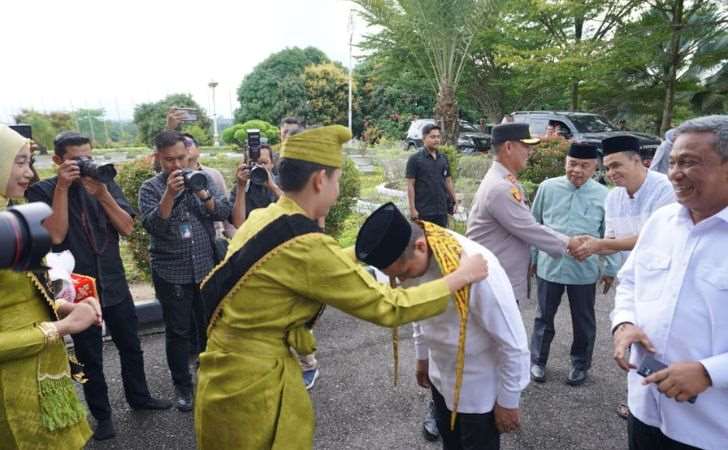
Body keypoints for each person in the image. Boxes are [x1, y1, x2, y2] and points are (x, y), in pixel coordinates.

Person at [194, 125, 489, 450]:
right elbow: (390, 306)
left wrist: (369, 252)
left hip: (224, 378)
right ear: (321, 180)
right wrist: (460, 277)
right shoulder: (307, 248)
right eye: (336, 180)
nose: (336, 189)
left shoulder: (265, 217)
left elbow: (318, 263)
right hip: (253, 390)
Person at [25, 132, 172, 440]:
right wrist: (64, 187)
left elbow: (128, 228)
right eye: (77, 159)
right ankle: (102, 415)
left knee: (131, 345)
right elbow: (55, 235)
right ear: (58, 161)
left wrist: (103, 194)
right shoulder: (43, 190)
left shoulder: (104, 182)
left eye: (88, 157)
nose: (85, 164)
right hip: (77, 290)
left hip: (114, 280)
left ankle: (140, 397)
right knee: (89, 355)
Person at [355, 202, 530, 450]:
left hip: (479, 390)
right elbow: (417, 306)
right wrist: (422, 358)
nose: (401, 282)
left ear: (420, 246)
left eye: (403, 273)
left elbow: (513, 343)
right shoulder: (402, 260)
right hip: (441, 377)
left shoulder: (476, 270)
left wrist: (509, 401)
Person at [611, 115, 728, 449]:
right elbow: (631, 281)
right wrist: (624, 324)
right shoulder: (662, 221)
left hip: (712, 428)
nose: (674, 173)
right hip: (645, 410)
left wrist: (710, 372)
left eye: (689, 163)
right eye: (672, 161)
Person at [0, 124, 101, 449]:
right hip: (13, 399)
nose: (29, 173)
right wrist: (61, 327)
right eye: (19, 162)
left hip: (44, 383)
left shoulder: (7, 221)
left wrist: (65, 307)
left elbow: (18, 302)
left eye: (29, 162)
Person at [138, 130, 231, 412]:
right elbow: (155, 227)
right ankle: (183, 386)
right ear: (158, 158)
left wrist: (202, 192)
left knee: (209, 326)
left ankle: (211, 377)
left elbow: (222, 212)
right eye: (170, 160)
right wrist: (170, 193)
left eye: (182, 158)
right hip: (171, 271)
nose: (177, 166)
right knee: (178, 332)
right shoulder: (150, 188)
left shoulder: (200, 180)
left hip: (204, 267)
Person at [528, 143, 619, 385]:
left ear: (595, 168)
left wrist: (610, 268)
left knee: (584, 320)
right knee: (543, 317)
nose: (577, 170)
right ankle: (537, 361)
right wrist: (532, 259)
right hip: (550, 265)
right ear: (565, 163)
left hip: (584, 270)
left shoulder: (604, 195)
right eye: (572, 164)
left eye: (584, 166)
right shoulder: (548, 188)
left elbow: (609, 235)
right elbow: (533, 224)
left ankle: (580, 365)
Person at [466, 123, 587, 304]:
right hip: (495, 281)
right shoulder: (500, 187)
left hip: (498, 277)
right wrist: (569, 242)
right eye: (525, 146)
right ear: (508, 147)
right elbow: (528, 228)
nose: (529, 152)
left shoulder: (503, 180)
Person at [406, 123, 456, 227]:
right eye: (432, 137)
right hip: (423, 211)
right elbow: (410, 185)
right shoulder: (415, 159)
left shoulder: (443, 158)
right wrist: (412, 209)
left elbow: (448, 180)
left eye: (438, 137)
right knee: (424, 241)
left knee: (441, 241)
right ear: (424, 138)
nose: (436, 140)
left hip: (441, 210)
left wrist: (454, 200)